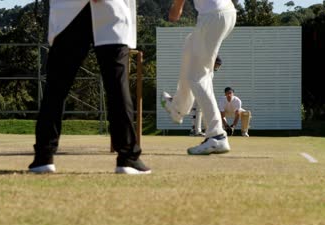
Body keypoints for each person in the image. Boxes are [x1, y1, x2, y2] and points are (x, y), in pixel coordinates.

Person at [29, 0, 151, 174]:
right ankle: (127, 157)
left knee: (56, 88)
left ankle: (43, 157)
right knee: (117, 86)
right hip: (111, 10)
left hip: (69, 11)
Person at [160, 0, 236, 155]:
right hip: (224, 12)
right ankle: (177, 108)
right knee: (190, 46)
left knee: (198, 77)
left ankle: (217, 136)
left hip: (214, 15)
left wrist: (176, 9)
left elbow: (176, 11)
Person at [188, 56, 222, 137]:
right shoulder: (204, 68)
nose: (217, 67)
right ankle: (197, 131)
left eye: (218, 65)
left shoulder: (208, 70)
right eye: (216, 64)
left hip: (198, 89)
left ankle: (194, 130)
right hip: (198, 89)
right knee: (198, 109)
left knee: (196, 110)